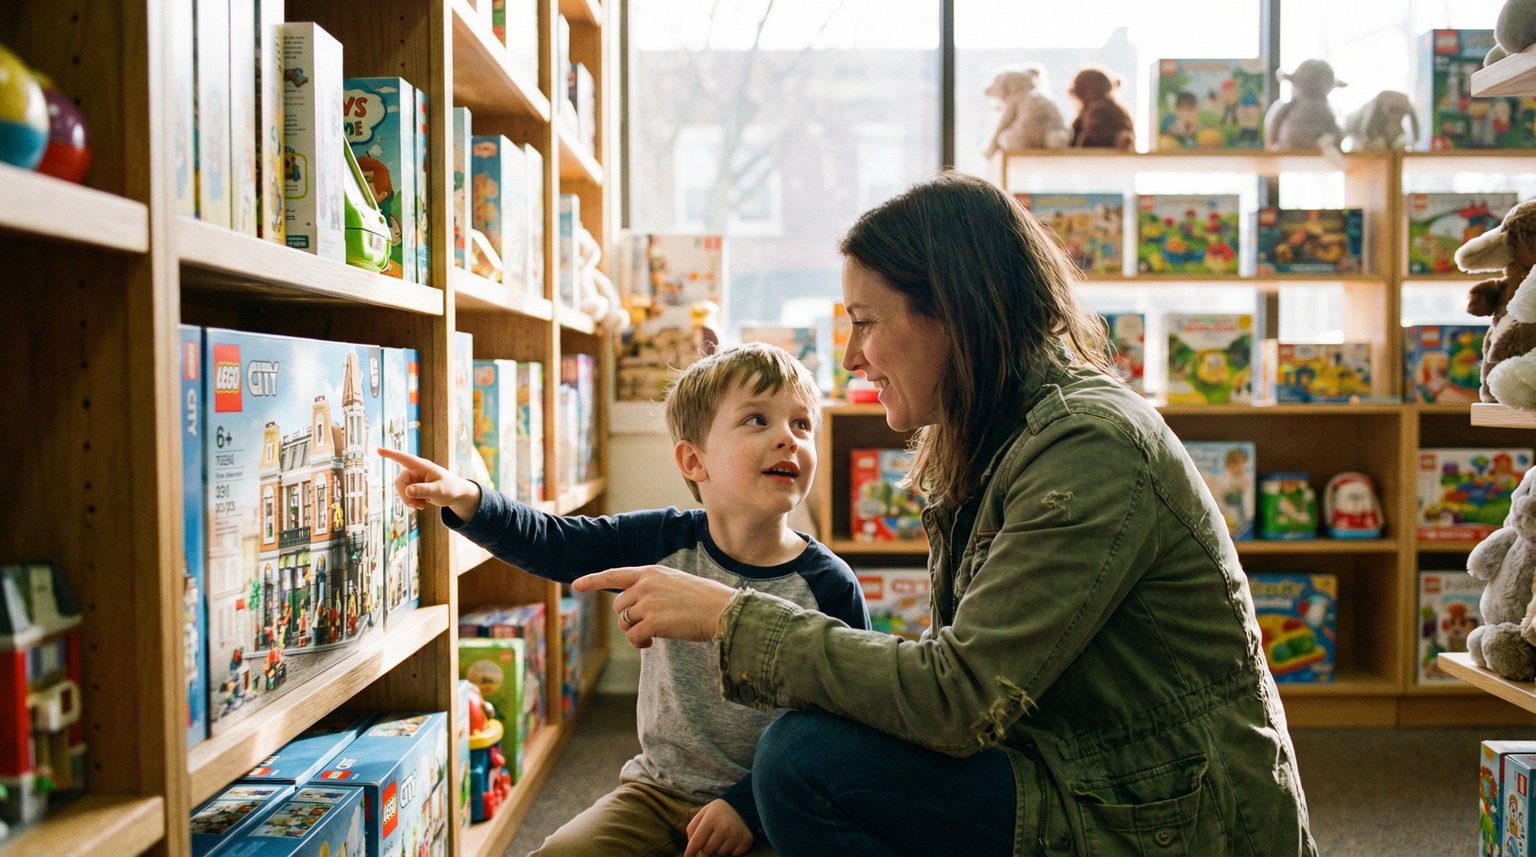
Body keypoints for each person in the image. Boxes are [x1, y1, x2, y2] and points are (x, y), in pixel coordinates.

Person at [574, 172, 1318, 856]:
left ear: (951, 311)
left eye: (866, 321)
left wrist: (729, 617)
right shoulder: (997, 433)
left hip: (1164, 808)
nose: (855, 356)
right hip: (1081, 763)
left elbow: (960, 696)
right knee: (813, 749)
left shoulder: (1087, 445)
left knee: (804, 761)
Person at [379, 342, 869, 857]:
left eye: (801, 425)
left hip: (775, 805)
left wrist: (746, 807)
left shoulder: (828, 583)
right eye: (757, 420)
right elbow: (556, 542)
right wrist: (469, 498)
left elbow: (844, 721)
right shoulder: (661, 541)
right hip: (657, 793)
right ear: (694, 460)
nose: (788, 440)